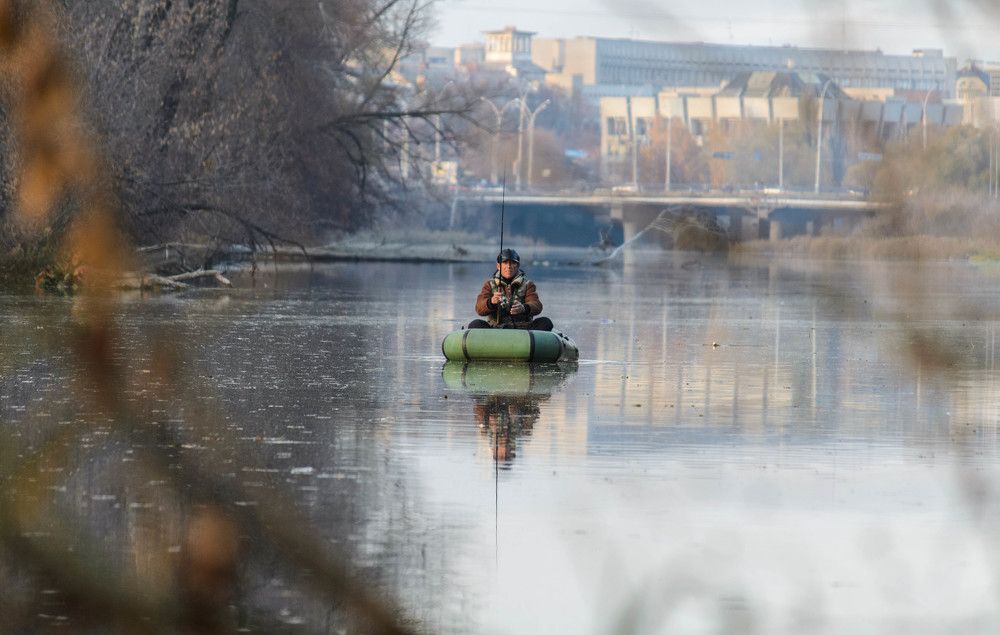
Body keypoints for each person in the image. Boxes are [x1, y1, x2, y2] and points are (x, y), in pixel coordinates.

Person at [468, 248, 553, 331]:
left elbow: (537, 305)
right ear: (498, 266)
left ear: (518, 266)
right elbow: (479, 308)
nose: (508, 266)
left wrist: (523, 308)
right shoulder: (489, 284)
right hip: (497, 329)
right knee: (475, 324)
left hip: (524, 328)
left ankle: (527, 341)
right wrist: (491, 302)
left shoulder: (528, 284)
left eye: (513, 263)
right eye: (505, 262)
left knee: (546, 322)